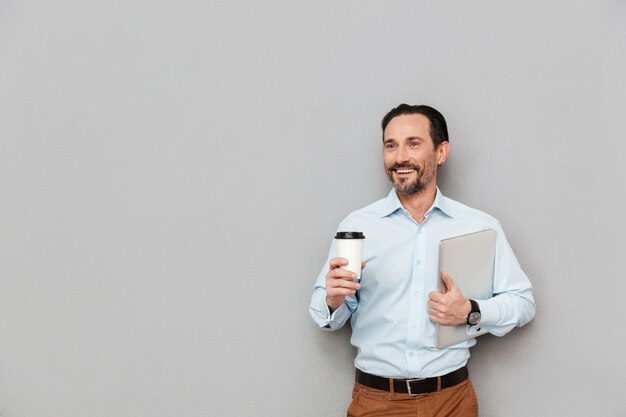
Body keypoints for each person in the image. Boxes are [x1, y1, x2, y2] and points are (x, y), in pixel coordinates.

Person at [309, 104, 536, 417]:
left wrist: (470, 311)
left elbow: (523, 303)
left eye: (413, 143)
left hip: (453, 402)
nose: (400, 157)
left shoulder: (480, 226)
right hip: (378, 403)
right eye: (391, 146)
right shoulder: (357, 226)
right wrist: (333, 300)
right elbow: (322, 311)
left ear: (441, 152)